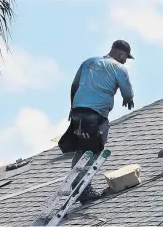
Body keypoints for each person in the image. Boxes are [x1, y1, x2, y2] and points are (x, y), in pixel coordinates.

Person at [58, 40, 135, 204]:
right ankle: (84, 191)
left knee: (81, 150)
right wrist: (128, 99)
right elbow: (127, 92)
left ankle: (76, 185)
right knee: (93, 152)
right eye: (126, 58)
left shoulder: (89, 62)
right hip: (95, 116)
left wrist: (74, 108)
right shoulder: (119, 67)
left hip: (78, 114)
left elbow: (74, 85)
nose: (125, 61)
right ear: (122, 55)